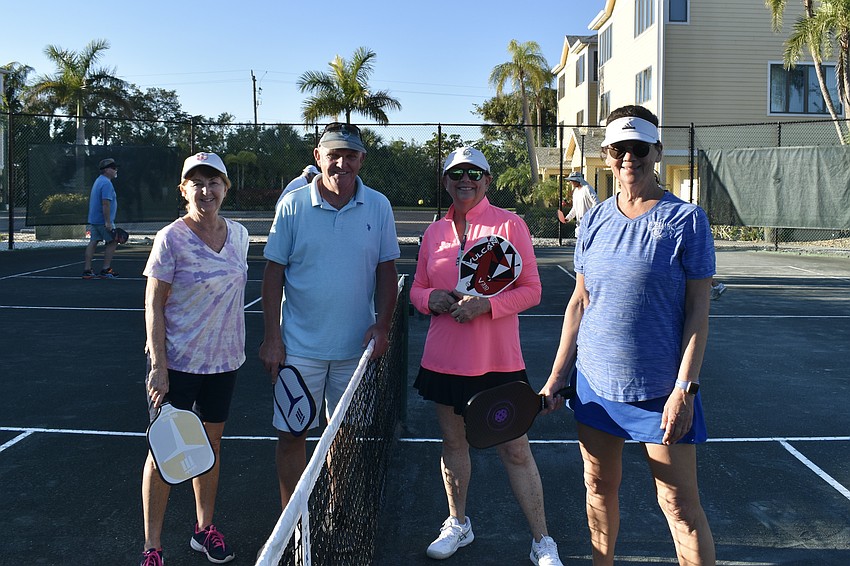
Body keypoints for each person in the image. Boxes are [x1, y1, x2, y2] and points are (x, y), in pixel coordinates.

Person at [542, 105, 716, 565]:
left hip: (661, 393)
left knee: (679, 507)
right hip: (596, 388)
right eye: (619, 149)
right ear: (606, 153)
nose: (628, 159)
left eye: (639, 149)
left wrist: (685, 390)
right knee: (598, 488)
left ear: (656, 151)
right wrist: (558, 375)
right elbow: (580, 301)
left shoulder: (688, 220)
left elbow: (699, 312)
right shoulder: (595, 219)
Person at [411, 146, 564, 566]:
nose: (465, 179)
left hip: (498, 361)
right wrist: (432, 298)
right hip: (444, 360)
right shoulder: (433, 233)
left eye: (474, 173)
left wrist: (487, 305)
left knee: (515, 449)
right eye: (456, 173)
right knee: (453, 443)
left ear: (487, 180)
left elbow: (532, 290)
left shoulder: (510, 225)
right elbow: (417, 289)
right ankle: (458, 523)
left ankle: (542, 540)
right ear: (445, 181)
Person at [259, 122, 400, 510]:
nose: (341, 163)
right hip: (299, 351)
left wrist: (382, 325)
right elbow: (273, 274)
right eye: (333, 154)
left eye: (350, 155)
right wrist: (273, 338)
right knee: (291, 434)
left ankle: (340, 510)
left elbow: (386, 270)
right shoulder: (292, 205)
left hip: (356, 350)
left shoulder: (379, 206)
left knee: (346, 436)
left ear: (362, 160)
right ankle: (293, 519)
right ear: (318, 157)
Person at [140, 152, 249, 566]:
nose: (206, 191)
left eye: (214, 182)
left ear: (226, 187)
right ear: (184, 190)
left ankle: (204, 530)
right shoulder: (171, 238)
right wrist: (158, 365)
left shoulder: (238, 235)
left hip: (224, 362)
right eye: (197, 183)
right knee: (164, 455)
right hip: (178, 365)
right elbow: (153, 303)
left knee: (211, 444)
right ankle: (153, 547)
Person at [82, 158, 120, 279]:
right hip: (103, 221)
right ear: (107, 170)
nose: (115, 170)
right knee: (113, 241)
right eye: (113, 168)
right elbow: (105, 204)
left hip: (95, 220)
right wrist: (108, 222)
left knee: (93, 241)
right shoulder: (106, 183)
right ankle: (106, 269)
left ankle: (87, 270)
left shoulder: (99, 181)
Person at [557, 171, 599, 239]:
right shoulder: (575, 192)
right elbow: (574, 208)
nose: (571, 182)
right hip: (579, 224)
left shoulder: (587, 188)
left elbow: (596, 202)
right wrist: (568, 218)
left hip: (589, 224)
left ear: (578, 180)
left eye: (573, 180)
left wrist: (589, 216)